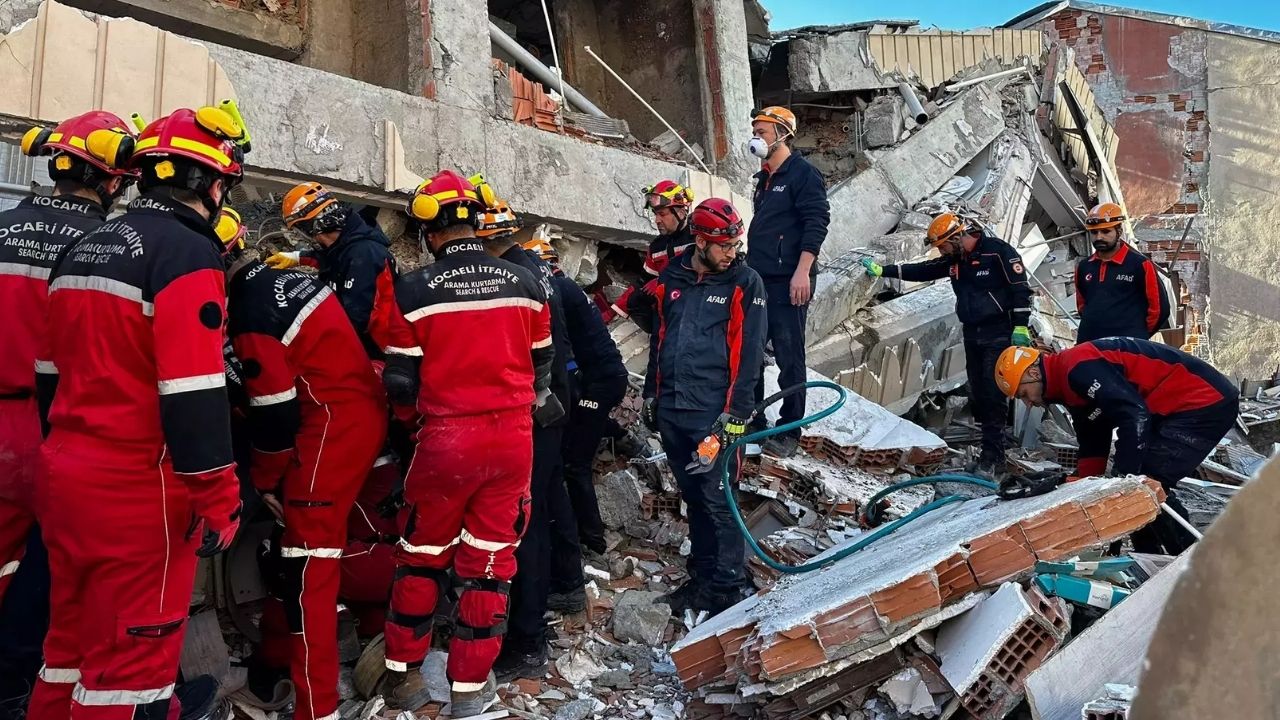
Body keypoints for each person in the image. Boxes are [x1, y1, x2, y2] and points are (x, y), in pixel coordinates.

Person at [30, 105, 247, 720]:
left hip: (65, 471)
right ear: (213, 185)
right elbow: (194, 389)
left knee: (67, 650)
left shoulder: (82, 247)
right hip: (137, 492)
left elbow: (50, 373)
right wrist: (218, 496)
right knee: (130, 676)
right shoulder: (186, 254)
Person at [375, 170, 553, 716]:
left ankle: (403, 677)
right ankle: (470, 693)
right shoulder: (526, 282)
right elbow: (542, 369)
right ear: (477, 222)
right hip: (513, 442)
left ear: (431, 232)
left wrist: (414, 425)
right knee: (491, 563)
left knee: (423, 555)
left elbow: (400, 384)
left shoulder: (413, 290)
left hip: (447, 441)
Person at [224, 207, 387, 720]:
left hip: (330, 432)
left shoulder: (252, 308)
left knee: (306, 570)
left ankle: (317, 707)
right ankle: (279, 670)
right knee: (306, 557)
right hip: (361, 416)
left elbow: (273, 409)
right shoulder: (285, 279)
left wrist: (266, 477)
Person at [0, 110, 136, 708]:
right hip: (62, 427)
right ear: (111, 181)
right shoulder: (104, 249)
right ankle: (25, 688)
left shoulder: (2, 227)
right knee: (62, 572)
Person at [994, 337, 1239, 555]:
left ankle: (1191, 563)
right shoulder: (1066, 385)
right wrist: (1080, 486)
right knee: (1136, 487)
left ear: (1034, 374)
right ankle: (1150, 558)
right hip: (1171, 408)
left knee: (1149, 482)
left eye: (1024, 394)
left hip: (1203, 402)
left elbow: (1134, 416)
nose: (1027, 404)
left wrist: (1124, 477)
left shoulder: (1078, 368)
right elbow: (1093, 442)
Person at [468, 187, 574, 682]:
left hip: (530, 415)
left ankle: (527, 635)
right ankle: (555, 595)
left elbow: (532, 356)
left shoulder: (513, 277)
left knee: (524, 524)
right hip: (545, 412)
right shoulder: (531, 272)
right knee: (546, 507)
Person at [642, 198, 767, 615]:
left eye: (734, 244)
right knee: (692, 495)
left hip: (713, 414)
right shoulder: (672, 277)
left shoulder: (744, 283)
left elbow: (748, 357)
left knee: (719, 497)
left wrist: (735, 417)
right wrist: (650, 394)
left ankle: (728, 587)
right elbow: (659, 339)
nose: (731, 252)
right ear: (699, 240)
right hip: (675, 409)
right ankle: (702, 579)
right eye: (723, 245)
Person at [862, 213, 1033, 477]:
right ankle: (989, 454)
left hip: (999, 332)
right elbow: (924, 271)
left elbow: (1020, 287)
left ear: (956, 237)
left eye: (943, 246)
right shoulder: (956, 261)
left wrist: (1020, 324)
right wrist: (885, 271)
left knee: (992, 393)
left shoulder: (997, 252)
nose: (941, 252)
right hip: (972, 332)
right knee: (978, 392)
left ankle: (994, 458)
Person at [522, 236, 628, 564]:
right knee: (583, 431)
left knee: (574, 463)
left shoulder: (557, 292)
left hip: (597, 384)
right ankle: (623, 437)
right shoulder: (566, 287)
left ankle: (594, 540)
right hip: (605, 378)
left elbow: (562, 349)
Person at [745, 107, 830, 458]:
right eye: (755, 131)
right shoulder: (765, 178)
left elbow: (816, 222)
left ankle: (789, 428)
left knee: (789, 356)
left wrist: (802, 271)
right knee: (749, 353)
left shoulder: (803, 174)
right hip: (759, 278)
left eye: (762, 132)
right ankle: (754, 421)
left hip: (788, 280)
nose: (756, 139)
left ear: (782, 133)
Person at [267, 182, 397, 357]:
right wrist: (296, 258)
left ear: (314, 226)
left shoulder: (364, 256)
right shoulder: (347, 242)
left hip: (375, 350)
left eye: (300, 229)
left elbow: (355, 321)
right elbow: (332, 258)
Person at [1074, 202, 1169, 343]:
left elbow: (1160, 309)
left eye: (1106, 231)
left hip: (1127, 349)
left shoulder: (1140, 265)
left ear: (1119, 231)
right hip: (1090, 347)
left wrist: (1137, 335)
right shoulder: (1083, 267)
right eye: (1094, 232)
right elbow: (1082, 306)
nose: (1099, 237)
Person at [612, 180, 695, 332]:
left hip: (697, 310)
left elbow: (706, 275)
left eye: (662, 214)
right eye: (656, 214)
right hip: (670, 315)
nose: (657, 220)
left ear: (681, 211)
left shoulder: (698, 237)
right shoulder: (657, 246)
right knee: (636, 299)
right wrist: (616, 309)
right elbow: (644, 281)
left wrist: (664, 281)